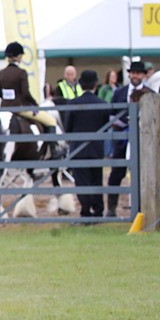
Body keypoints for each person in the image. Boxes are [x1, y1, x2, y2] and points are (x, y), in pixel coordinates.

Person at [63, 70, 112, 219]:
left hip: (78, 148)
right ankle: (98, 210)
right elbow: (106, 125)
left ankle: (85, 211)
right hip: (96, 148)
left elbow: (67, 127)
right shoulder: (103, 104)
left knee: (82, 182)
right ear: (96, 84)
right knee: (96, 180)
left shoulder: (72, 103)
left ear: (80, 83)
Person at [106, 61, 149, 216]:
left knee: (143, 173)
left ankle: (143, 208)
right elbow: (111, 114)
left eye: (138, 73)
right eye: (133, 73)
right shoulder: (119, 93)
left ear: (143, 75)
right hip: (122, 139)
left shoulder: (149, 93)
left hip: (142, 140)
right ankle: (111, 208)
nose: (135, 76)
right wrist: (122, 125)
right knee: (116, 174)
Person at [0, 42, 58, 130]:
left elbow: (0, 93)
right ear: (18, 56)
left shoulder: (2, 72)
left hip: (4, 107)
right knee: (51, 121)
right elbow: (25, 93)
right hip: (19, 108)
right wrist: (35, 104)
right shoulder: (21, 72)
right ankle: (52, 144)